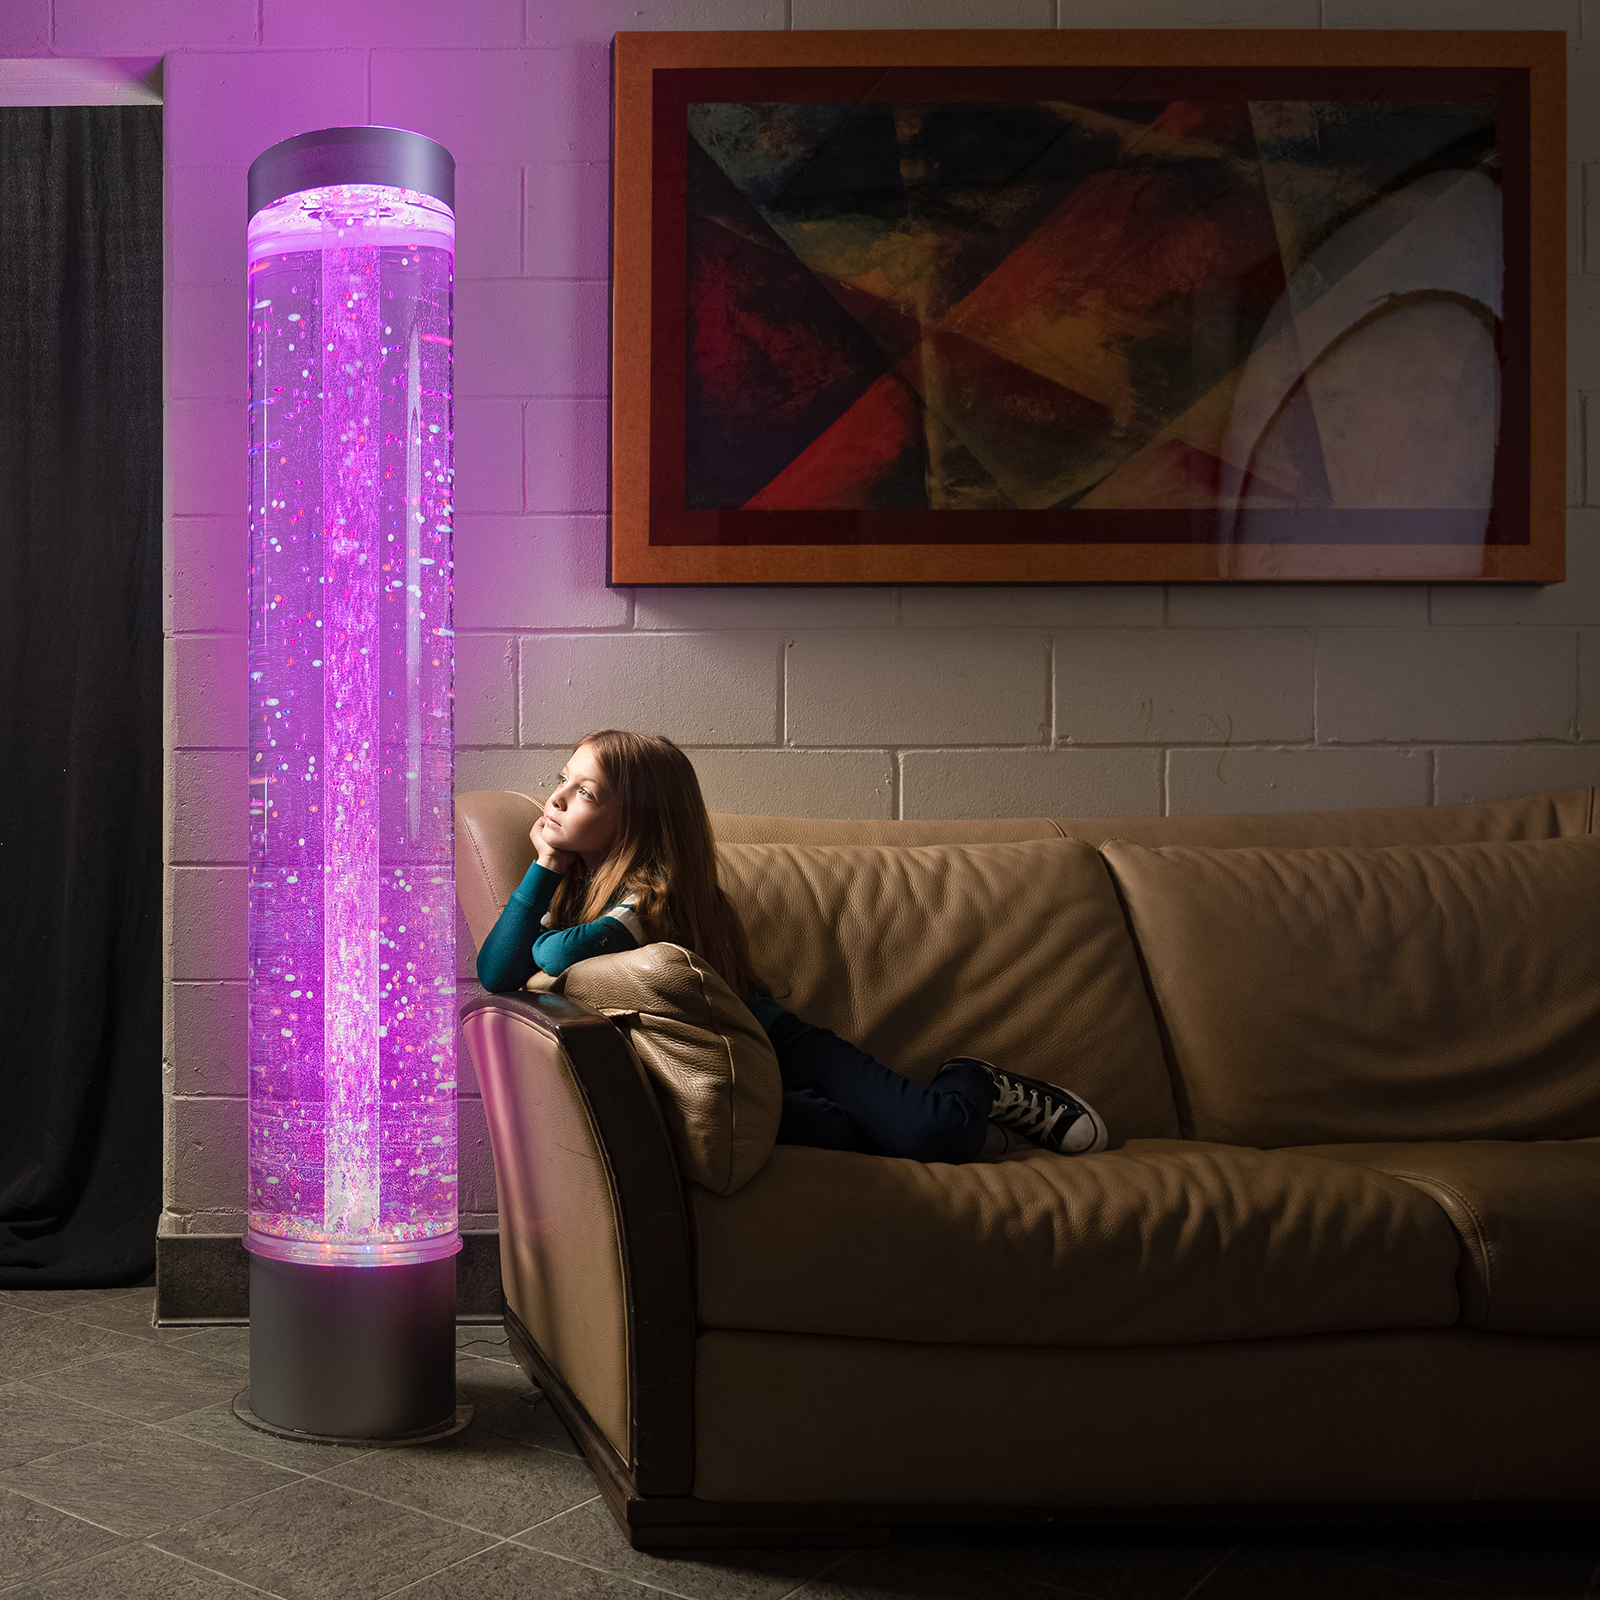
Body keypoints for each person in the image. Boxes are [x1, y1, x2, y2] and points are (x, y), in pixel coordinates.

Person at [475, 729, 1108, 1164]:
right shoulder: (574, 888)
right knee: (832, 1130)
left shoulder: (653, 892)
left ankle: (975, 1080)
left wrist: (546, 877)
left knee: (932, 1132)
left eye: (586, 792)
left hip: (779, 1043)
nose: (556, 798)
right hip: (721, 1073)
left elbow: (552, 958)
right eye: (564, 779)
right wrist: (549, 866)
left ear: (637, 819)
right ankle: (968, 1136)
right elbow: (496, 971)